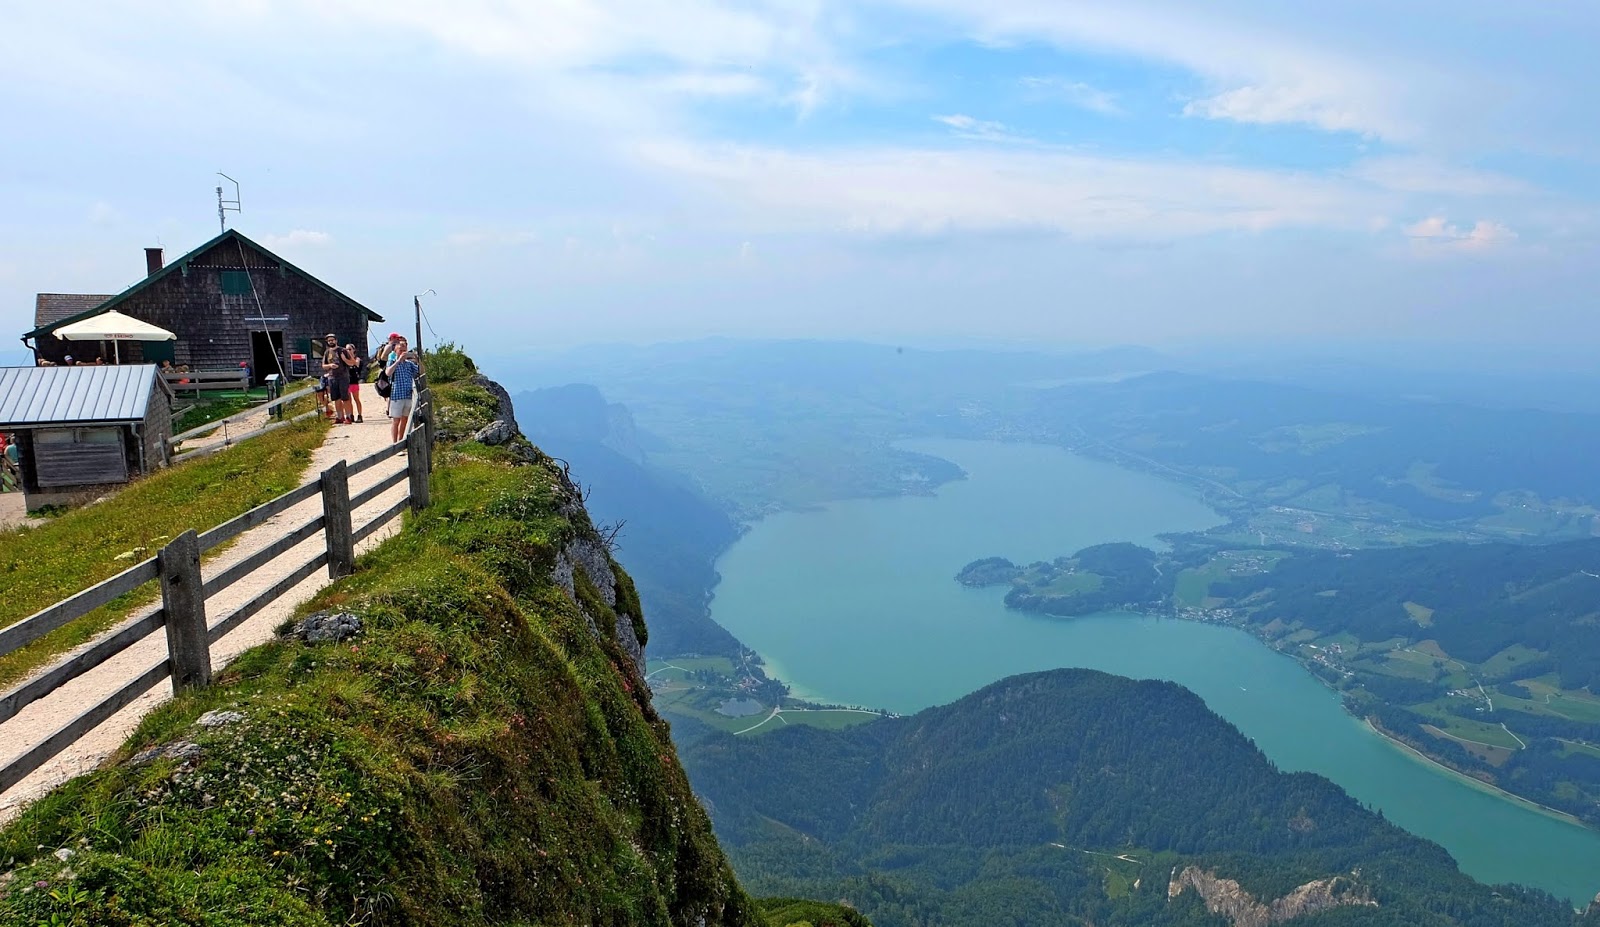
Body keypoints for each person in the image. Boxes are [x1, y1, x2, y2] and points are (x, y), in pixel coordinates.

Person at [387, 348, 422, 444]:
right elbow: (388, 373)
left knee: (405, 420)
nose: (402, 352)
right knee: (396, 420)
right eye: (400, 350)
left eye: (404, 350)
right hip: (397, 396)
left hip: (408, 396)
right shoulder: (392, 362)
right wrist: (398, 360)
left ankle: (400, 441)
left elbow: (421, 372)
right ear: (395, 351)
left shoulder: (409, 364)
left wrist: (417, 359)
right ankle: (394, 443)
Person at [322, 333, 352, 424]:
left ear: (336, 340)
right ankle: (340, 417)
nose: (331, 342)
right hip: (332, 377)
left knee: (345, 398)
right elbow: (323, 366)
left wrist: (344, 359)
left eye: (332, 340)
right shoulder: (327, 352)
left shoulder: (343, 350)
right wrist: (330, 365)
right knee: (336, 398)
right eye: (329, 341)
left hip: (343, 377)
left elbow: (352, 362)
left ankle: (348, 417)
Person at [342, 343, 365, 423]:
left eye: (350, 349)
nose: (348, 351)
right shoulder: (345, 360)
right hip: (347, 382)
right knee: (348, 400)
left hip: (354, 381)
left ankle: (359, 415)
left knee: (356, 399)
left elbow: (355, 363)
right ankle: (350, 415)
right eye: (346, 349)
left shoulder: (357, 359)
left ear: (354, 350)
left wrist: (348, 358)